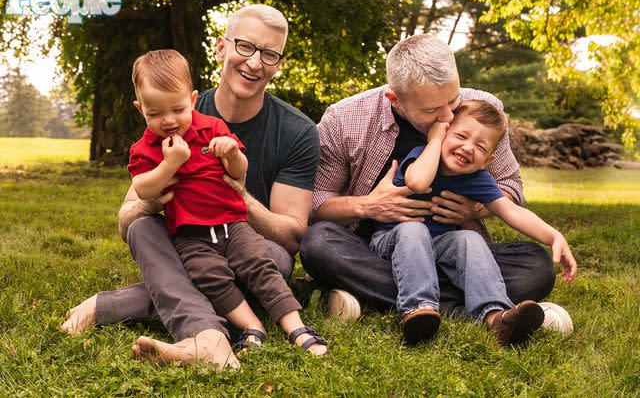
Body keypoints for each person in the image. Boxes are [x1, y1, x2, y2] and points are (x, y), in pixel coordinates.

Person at [60, 4, 321, 369]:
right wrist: (155, 198)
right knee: (141, 224)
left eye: (269, 54)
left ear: (278, 64)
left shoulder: (298, 132)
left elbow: (292, 237)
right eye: (245, 46)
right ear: (221, 47)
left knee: (274, 261)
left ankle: (113, 306)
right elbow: (126, 220)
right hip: (187, 240)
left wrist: (239, 195)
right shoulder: (170, 115)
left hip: (244, 241)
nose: (255, 62)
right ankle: (208, 337)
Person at [300, 34, 560, 326]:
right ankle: (471, 309)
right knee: (318, 243)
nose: (448, 116)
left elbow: (511, 186)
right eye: (431, 110)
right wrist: (368, 206)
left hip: (455, 254)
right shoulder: (343, 119)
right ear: (395, 98)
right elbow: (315, 204)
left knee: (537, 266)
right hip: (377, 252)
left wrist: (476, 209)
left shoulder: (482, 112)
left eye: (453, 99)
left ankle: (379, 299)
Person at [127, 49, 327, 356]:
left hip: (232, 223)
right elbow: (142, 188)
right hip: (190, 234)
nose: (168, 121)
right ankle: (252, 326)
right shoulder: (145, 148)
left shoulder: (212, 127)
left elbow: (239, 172)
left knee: (259, 264)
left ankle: (296, 326)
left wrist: (232, 153)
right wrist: (169, 165)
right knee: (210, 279)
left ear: (193, 100)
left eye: (178, 109)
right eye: (155, 114)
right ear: (140, 109)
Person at [369, 99, 577, 344]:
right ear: (444, 133)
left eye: (480, 146)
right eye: (461, 136)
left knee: (468, 238)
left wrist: (554, 236)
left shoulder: (477, 178)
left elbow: (511, 211)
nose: (468, 148)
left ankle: (496, 317)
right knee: (414, 230)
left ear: (487, 160)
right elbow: (418, 183)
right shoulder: (421, 157)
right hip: (391, 243)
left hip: (438, 248)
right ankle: (419, 309)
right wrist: (435, 140)